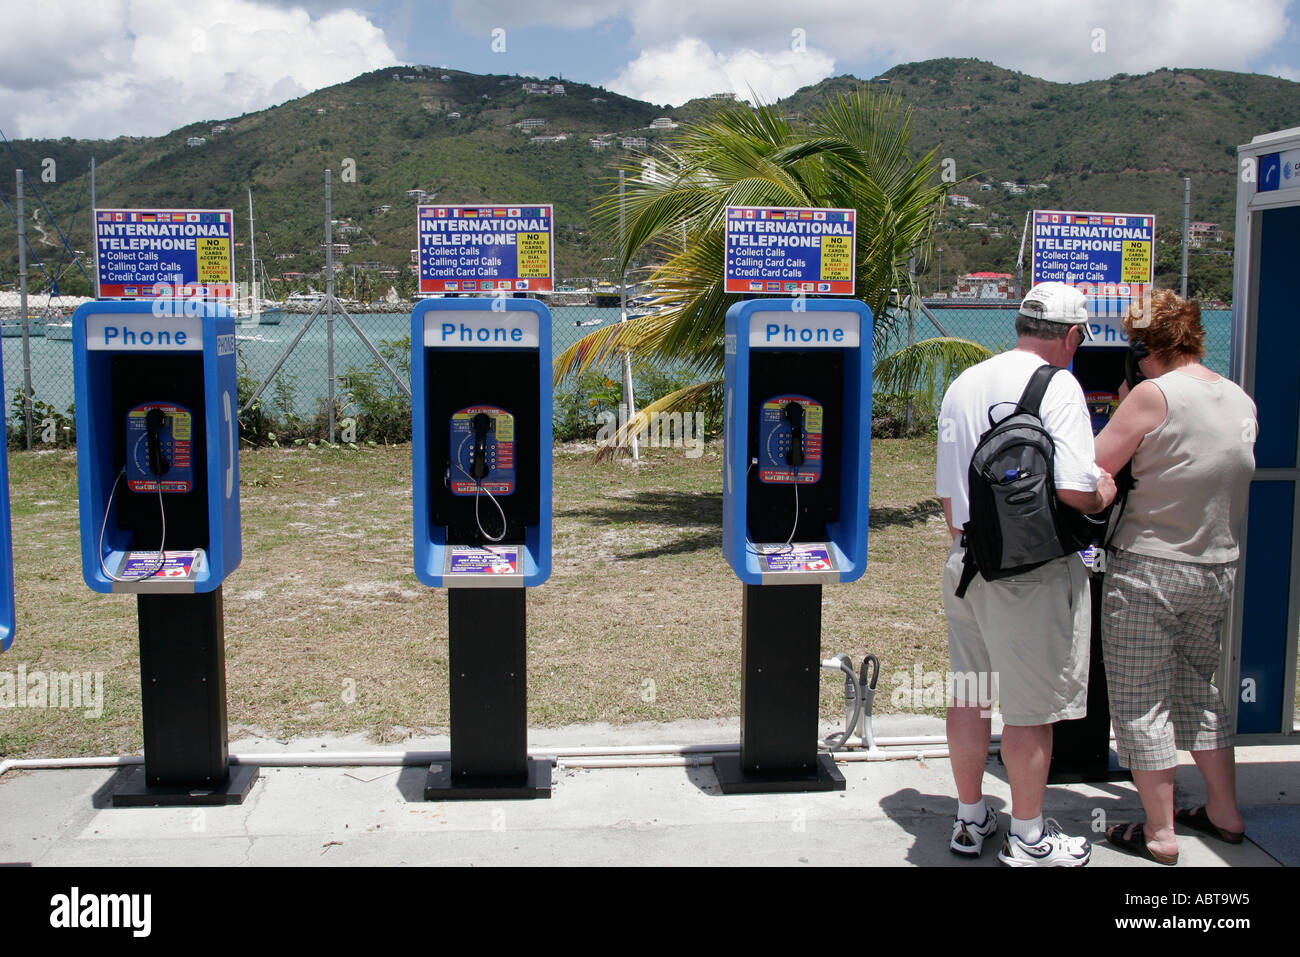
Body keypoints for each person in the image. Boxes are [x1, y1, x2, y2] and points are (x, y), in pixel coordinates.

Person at [937, 281, 1116, 866]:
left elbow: (947, 495)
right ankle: (1030, 837)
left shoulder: (966, 381)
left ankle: (970, 820)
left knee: (970, 695)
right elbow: (1073, 486)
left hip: (966, 562)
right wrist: (1103, 493)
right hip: (1030, 574)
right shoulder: (1058, 383)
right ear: (1070, 336)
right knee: (1031, 711)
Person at [1094, 289, 1256, 865]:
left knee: (1141, 700)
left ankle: (1159, 833)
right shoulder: (1239, 399)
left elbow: (1095, 468)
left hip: (1149, 567)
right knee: (1197, 691)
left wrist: (1119, 409)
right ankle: (1224, 811)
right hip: (1215, 567)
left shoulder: (1151, 395)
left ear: (1147, 347)